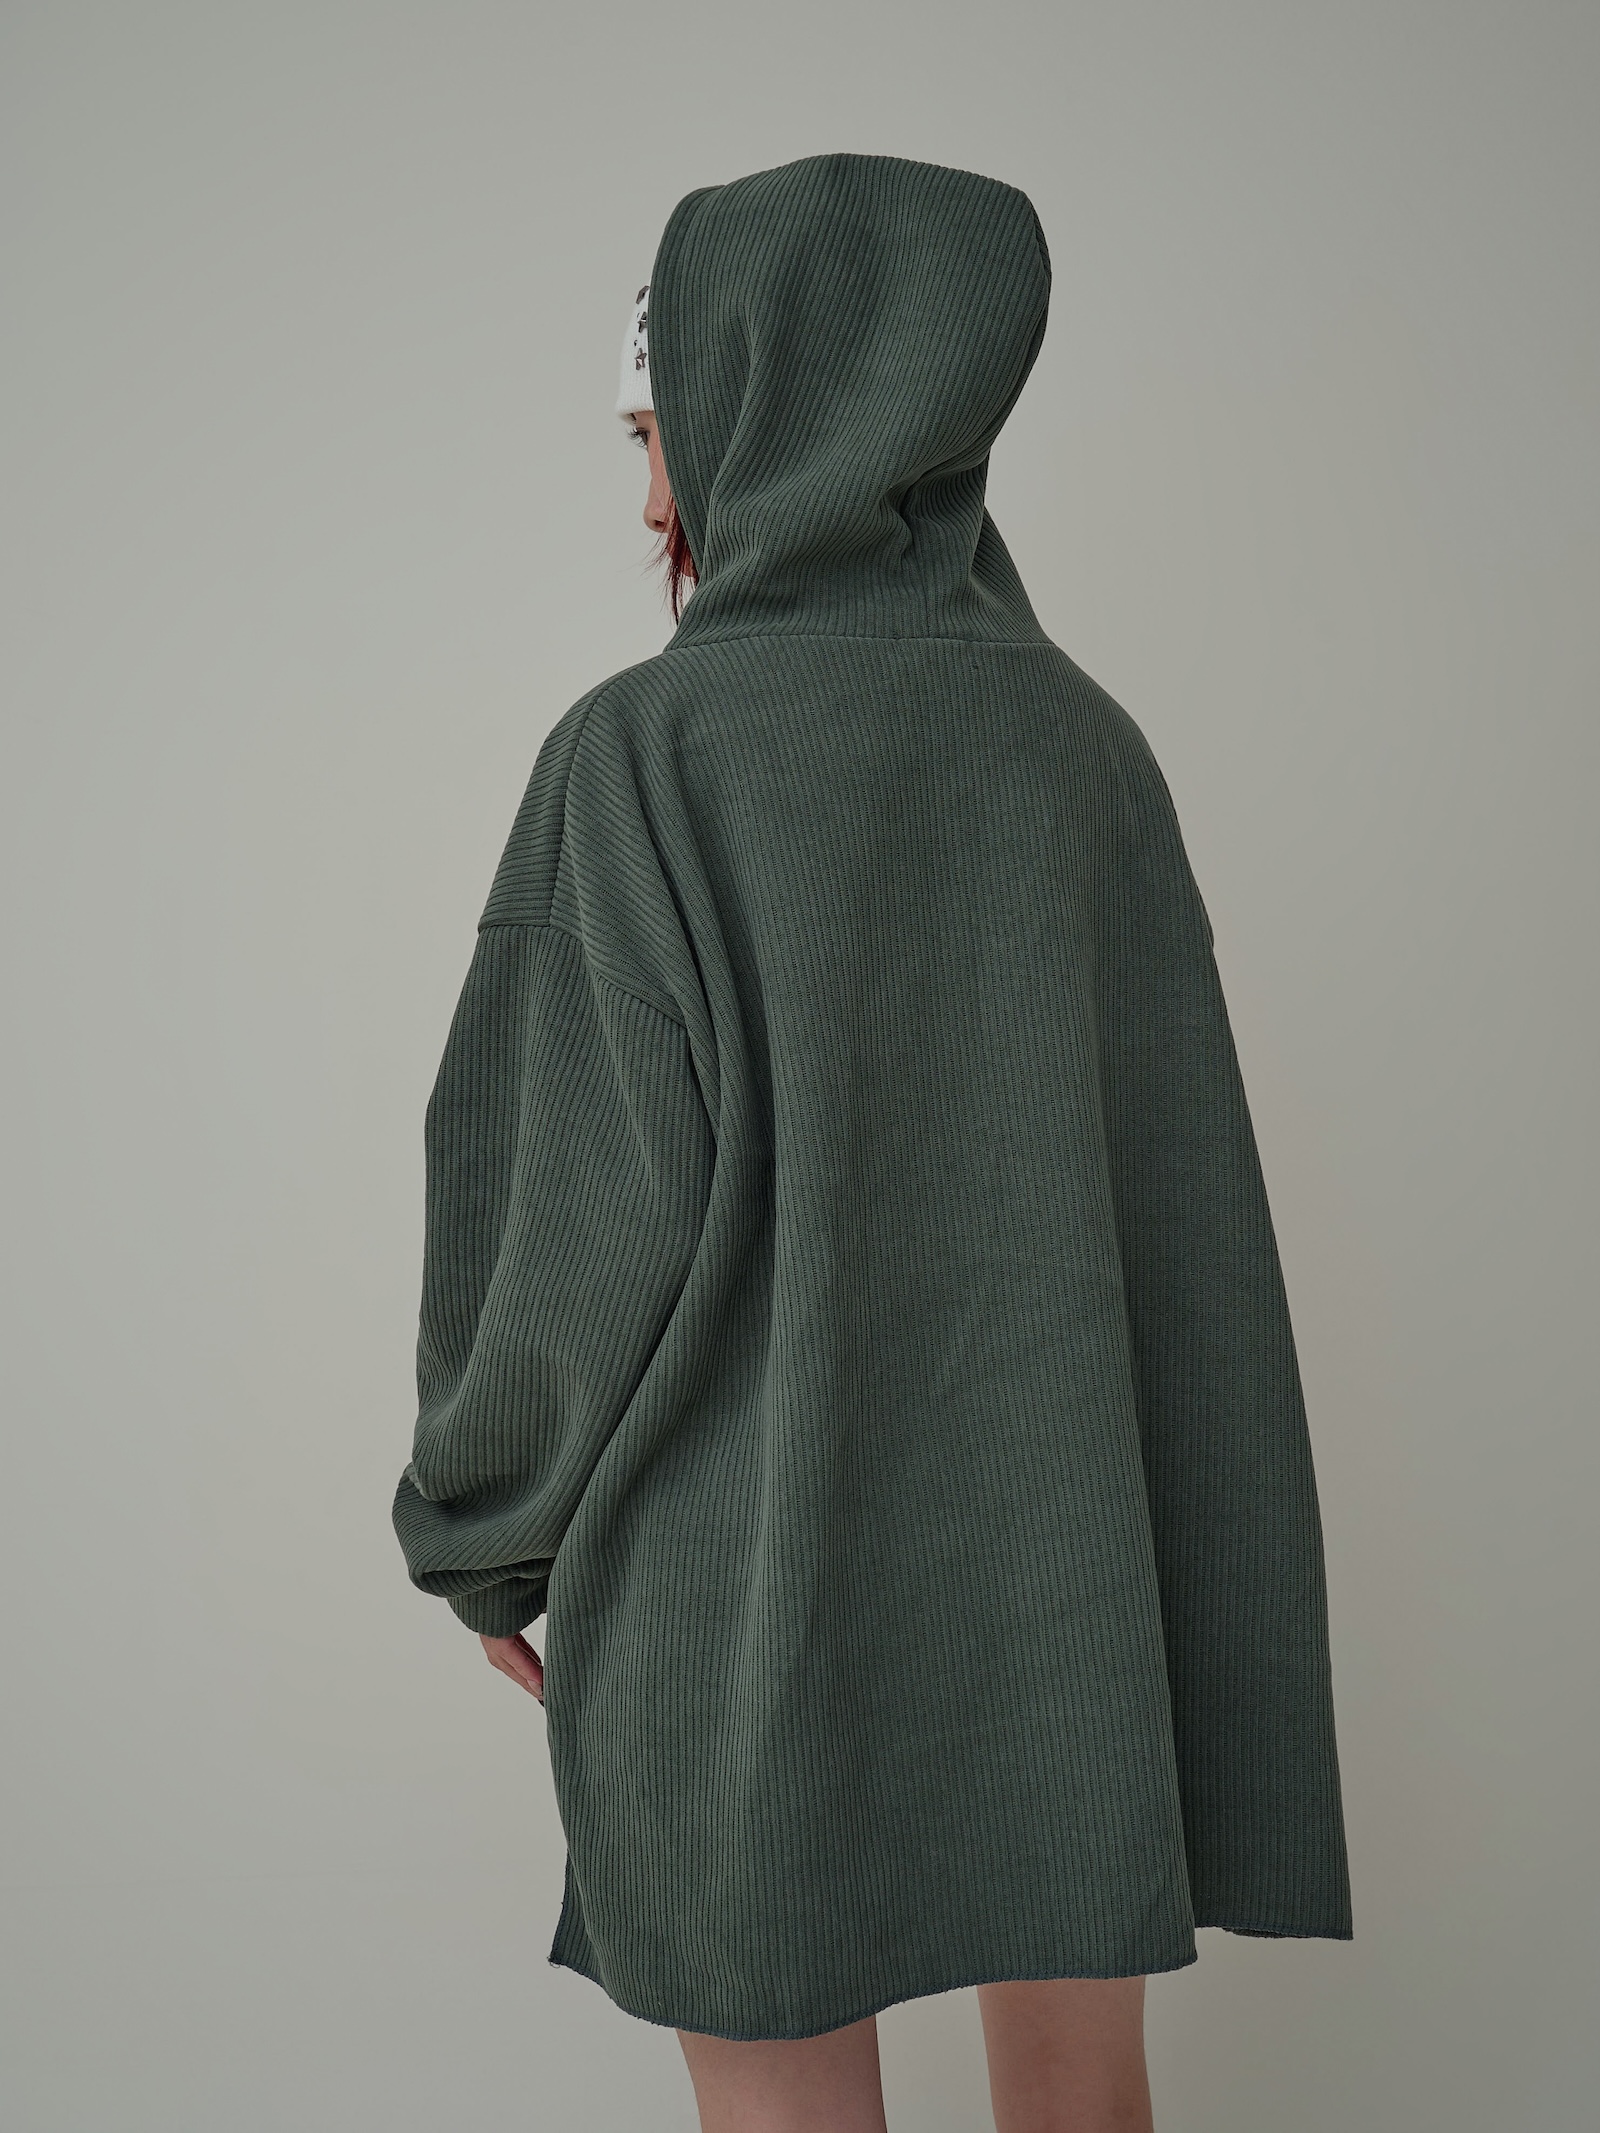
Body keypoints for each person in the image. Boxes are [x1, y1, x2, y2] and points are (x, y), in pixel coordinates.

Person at [391, 152, 1353, 2133]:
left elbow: (560, 1217)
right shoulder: (1085, 751)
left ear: (767, 404)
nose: (649, 501)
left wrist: (485, 1532)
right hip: (1068, 1573)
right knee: (1084, 2102)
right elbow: (1183, 1219)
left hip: (736, 1587)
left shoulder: (645, 756)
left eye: (656, 430)